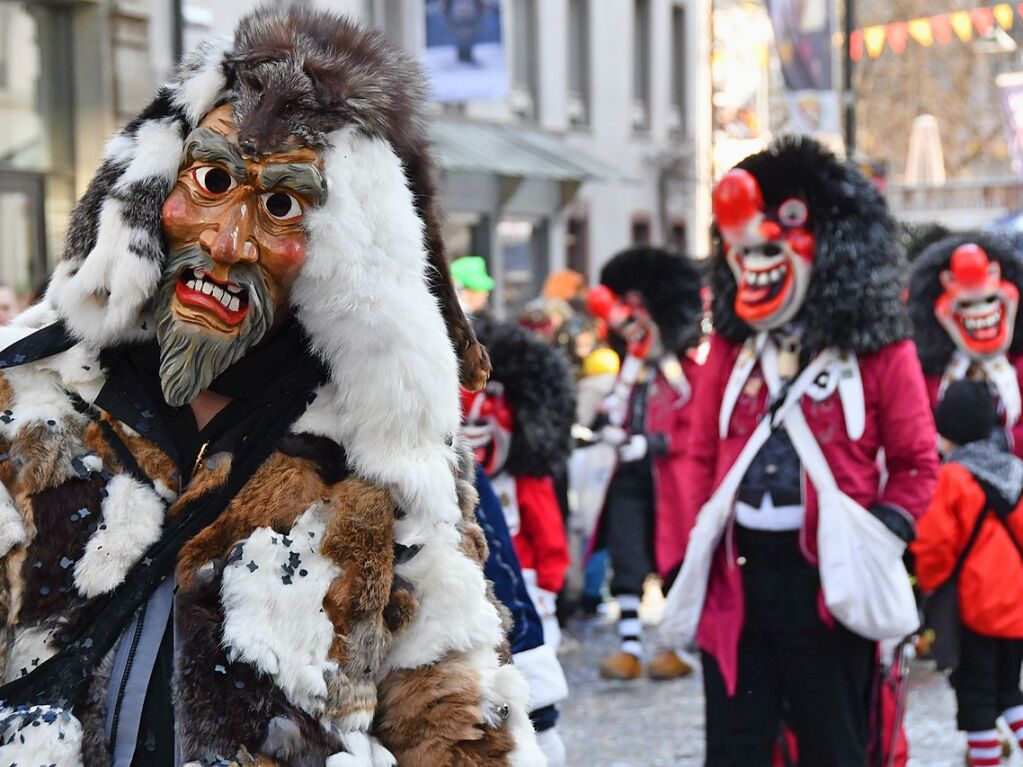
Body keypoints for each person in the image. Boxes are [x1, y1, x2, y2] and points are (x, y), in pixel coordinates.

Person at [0, 7, 543, 766]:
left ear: (338, 249)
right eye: (213, 179)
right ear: (153, 190)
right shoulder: (27, 393)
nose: (227, 242)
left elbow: (450, 715)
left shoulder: (383, 459)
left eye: (280, 204)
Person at [663, 137, 938, 766]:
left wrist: (884, 531)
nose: (756, 259)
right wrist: (687, 552)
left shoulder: (881, 353)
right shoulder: (730, 353)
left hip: (828, 581)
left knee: (834, 744)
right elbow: (698, 456)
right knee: (737, 746)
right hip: (739, 574)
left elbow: (918, 462)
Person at [587, 246, 703, 682]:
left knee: (676, 558)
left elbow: (694, 428)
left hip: (669, 481)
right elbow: (615, 411)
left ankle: (677, 647)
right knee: (627, 554)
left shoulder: (688, 374)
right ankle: (630, 648)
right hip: (629, 477)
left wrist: (652, 443)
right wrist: (606, 428)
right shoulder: (627, 371)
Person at [913, 380, 1023, 767]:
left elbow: (934, 545)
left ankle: (986, 762)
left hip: (976, 609)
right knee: (1009, 691)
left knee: (976, 697)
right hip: (1016, 608)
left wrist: (927, 585)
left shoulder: (952, 478)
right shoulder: (1014, 471)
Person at [462, 318, 574, 652]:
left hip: (525, 588)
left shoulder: (523, 479)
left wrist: (548, 585)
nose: (476, 431)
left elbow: (548, 530)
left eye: (482, 422)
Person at [908, 233, 1023, 456]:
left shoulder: (1019, 365)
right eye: (967, 303)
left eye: (989, 300)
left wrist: (1004, 442)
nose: (980, 310)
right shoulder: (928, 373)